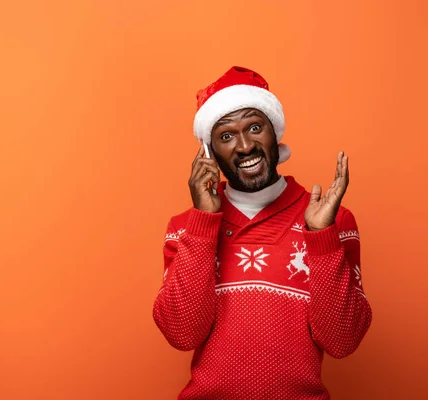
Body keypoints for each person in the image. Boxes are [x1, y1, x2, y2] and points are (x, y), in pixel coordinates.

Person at [152, 66, 372, 399]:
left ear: (275, 132)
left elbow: (342, 341)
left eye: (255, 127)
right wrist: (203, 222)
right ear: (208, 151)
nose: (244, 146)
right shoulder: (185, 227)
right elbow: (182, 335)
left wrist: (321, 236)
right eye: (226, 136)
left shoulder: (332, 220)